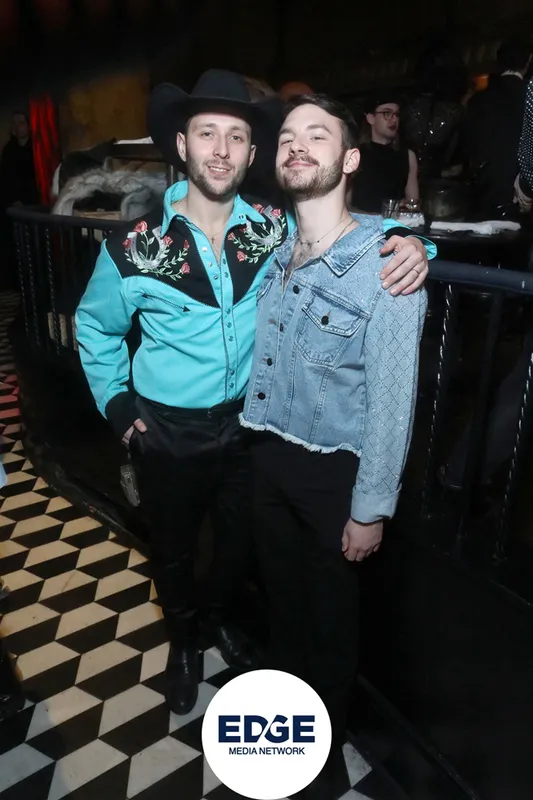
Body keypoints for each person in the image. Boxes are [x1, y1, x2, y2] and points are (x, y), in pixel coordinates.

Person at [75, 70, 432, 718]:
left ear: (250, 154)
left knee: (241, 551)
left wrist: (416, 243)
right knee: (174, 551)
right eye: (206, 133)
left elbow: (342, 230)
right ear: (181, 145)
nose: (220, 150)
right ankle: (185, 643)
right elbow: (94, 326)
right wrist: (118, 403)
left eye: (236, 137)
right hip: (167, 429)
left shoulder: (269, 230)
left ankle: (219, 622)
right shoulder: (133, 244)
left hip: (250, 430)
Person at [240, 94, 427, 799]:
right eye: (287, 136)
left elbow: (393, 400)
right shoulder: (276, 251)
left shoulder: (386, 264)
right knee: (285, 619)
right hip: (264, 459)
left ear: (349, 159)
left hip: (332, 479)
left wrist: (370, 507)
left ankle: (319, 772)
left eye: (316, 135)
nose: (297, 145)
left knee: (329, 634)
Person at [465, 38, 531, 217]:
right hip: (521, 190)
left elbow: (468, 145)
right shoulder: (528, 95)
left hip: (483, 187)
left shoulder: (478, 100)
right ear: (528, 62)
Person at [350, 96, 419, 213]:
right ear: (371, 118)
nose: (394, 119)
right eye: (387, 113)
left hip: (394, 223)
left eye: (396, 114)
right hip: (359, 222)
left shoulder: (408, 156)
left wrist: (403, 209)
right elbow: (343, 205)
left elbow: (414, 205)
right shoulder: (355, 155)